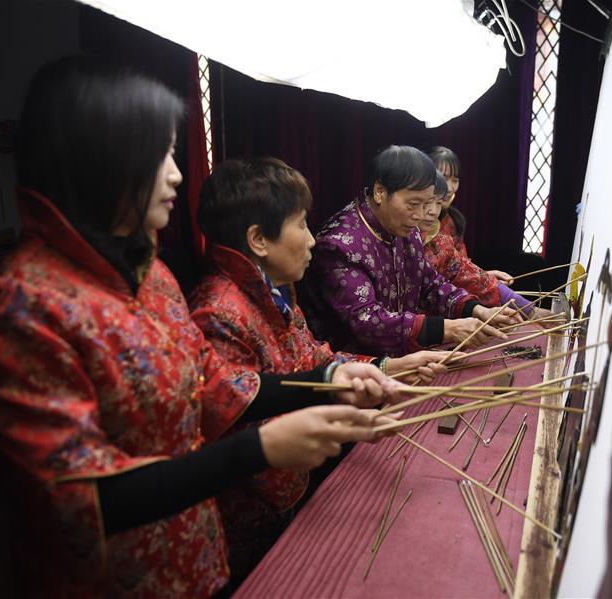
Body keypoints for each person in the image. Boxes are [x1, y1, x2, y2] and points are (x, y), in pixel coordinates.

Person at [0, 57, 397, 597]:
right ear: (97, 158)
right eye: (159, 155)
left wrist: (328, 380)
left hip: (194, 555)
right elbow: (75, 499)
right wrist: (257, 450)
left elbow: (213, 383)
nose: (176, 174)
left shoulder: (152, 276)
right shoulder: (20, 305)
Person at [188, 157, 450, 577]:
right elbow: (245, 431)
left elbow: (316, 360)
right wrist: (343, 420)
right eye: (301, 225)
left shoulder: (271, 292)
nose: (312, 239)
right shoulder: (220, 314)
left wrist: (388, 366)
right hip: (248, 525)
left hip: (289, 498)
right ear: (259, 239)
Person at [301, 146, 521, 357]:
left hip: (404, 358)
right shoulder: (339, 245)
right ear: (380, 191)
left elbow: (429, 284)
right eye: (413, 204)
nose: (420, 215)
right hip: (356, 370)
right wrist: (447, 329)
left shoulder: (405, 228)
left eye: (426, 204)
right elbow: (367, 321)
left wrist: (476, 310)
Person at [422, 172, 537, 314]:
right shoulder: (407, 239)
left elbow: (459, 275)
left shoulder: (440, 240)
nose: (433, 211)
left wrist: (529, 309)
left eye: (438, 203)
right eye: (425, 202)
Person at [428, 145, 514, 284]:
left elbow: (460, 270)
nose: (449, 188)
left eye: (455, 180)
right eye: (443, 177)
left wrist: (487, 276)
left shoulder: (453, 223)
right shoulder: (414, 223)